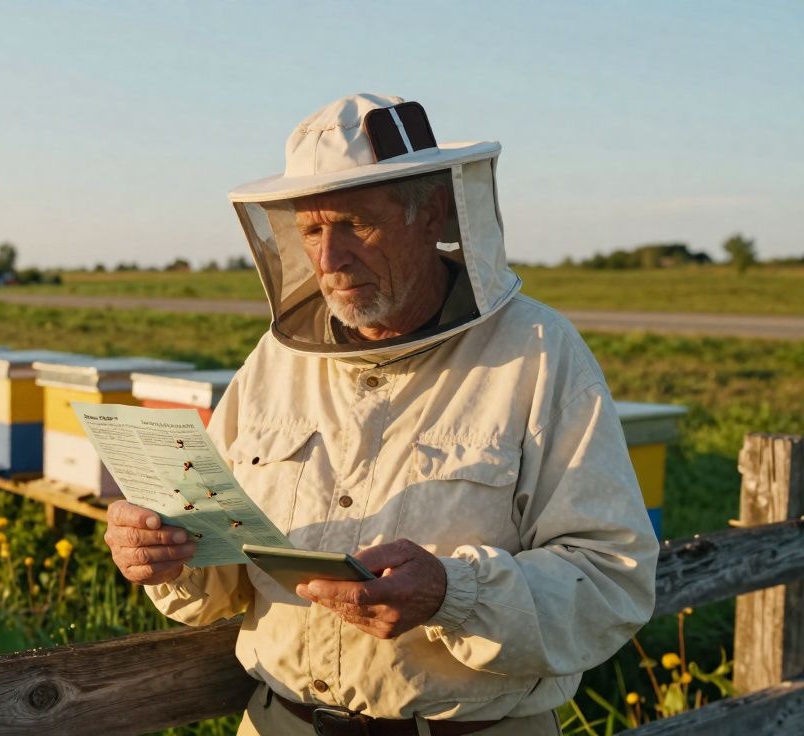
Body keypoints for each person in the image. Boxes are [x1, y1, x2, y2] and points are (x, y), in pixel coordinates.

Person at [103, 93, 659, 735]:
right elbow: (221, 576)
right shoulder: (275, 361)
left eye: (355, 223)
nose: (329, 259)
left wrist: (453, 594)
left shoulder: (537, 352)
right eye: (311, 230)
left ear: (435, 213)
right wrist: (166, 552)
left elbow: (612, 580)